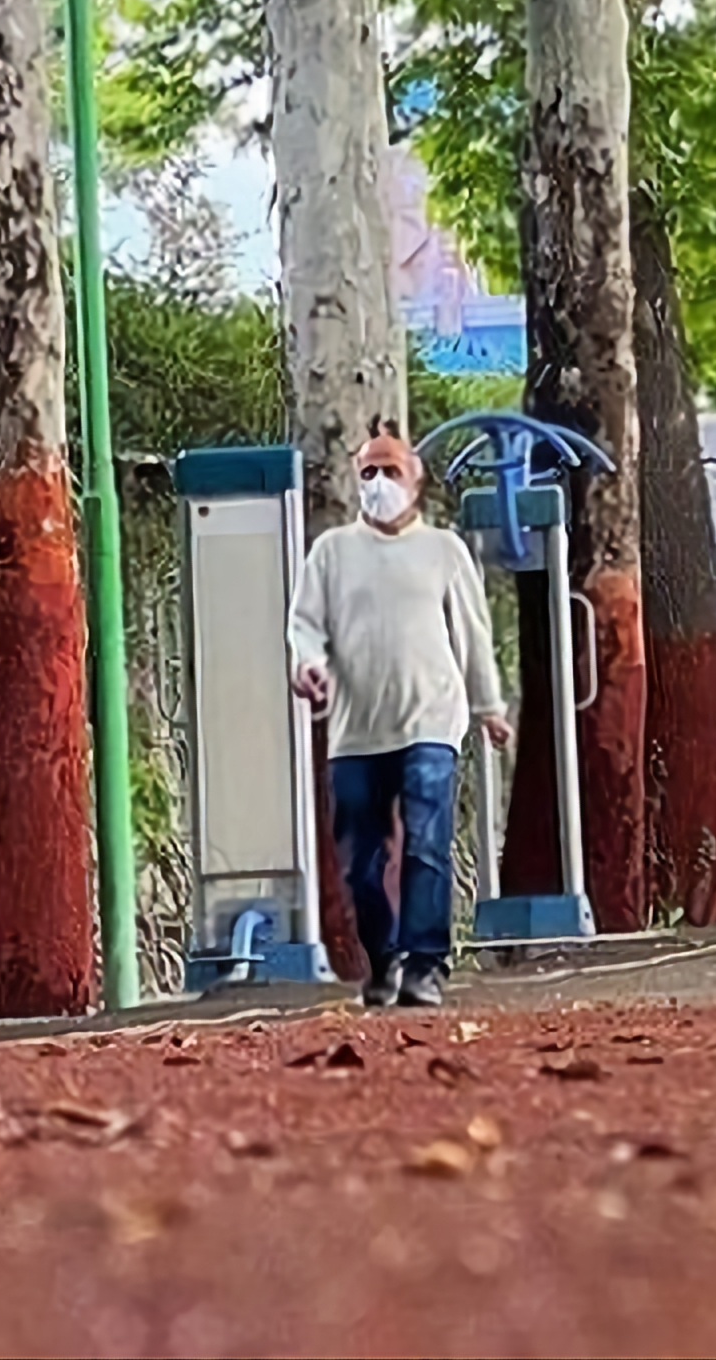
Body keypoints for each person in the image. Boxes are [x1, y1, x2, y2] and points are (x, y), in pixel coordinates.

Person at [290, 423, 511, 1011]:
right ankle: (383, 957)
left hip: (431, 722)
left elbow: (472, 634)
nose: (379, 482)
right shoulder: (332, 552)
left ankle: (426, 963)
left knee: (426, 844)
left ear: (416, 481)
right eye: (369, 472)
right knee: (361, 861)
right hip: (356, 729)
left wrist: (488, 705)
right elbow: (304, 625)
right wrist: (307, 664)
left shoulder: (444, 551)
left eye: (391, 471)